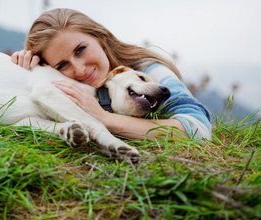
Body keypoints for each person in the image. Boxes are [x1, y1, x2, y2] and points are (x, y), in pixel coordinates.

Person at [11, 8, 211, 141]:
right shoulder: (60, 86)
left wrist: (102, 119)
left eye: (80, 50)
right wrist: (27, 68)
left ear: (101, 39)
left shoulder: (148, 70)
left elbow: (198, 128)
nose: (80, 70)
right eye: (63, 64)